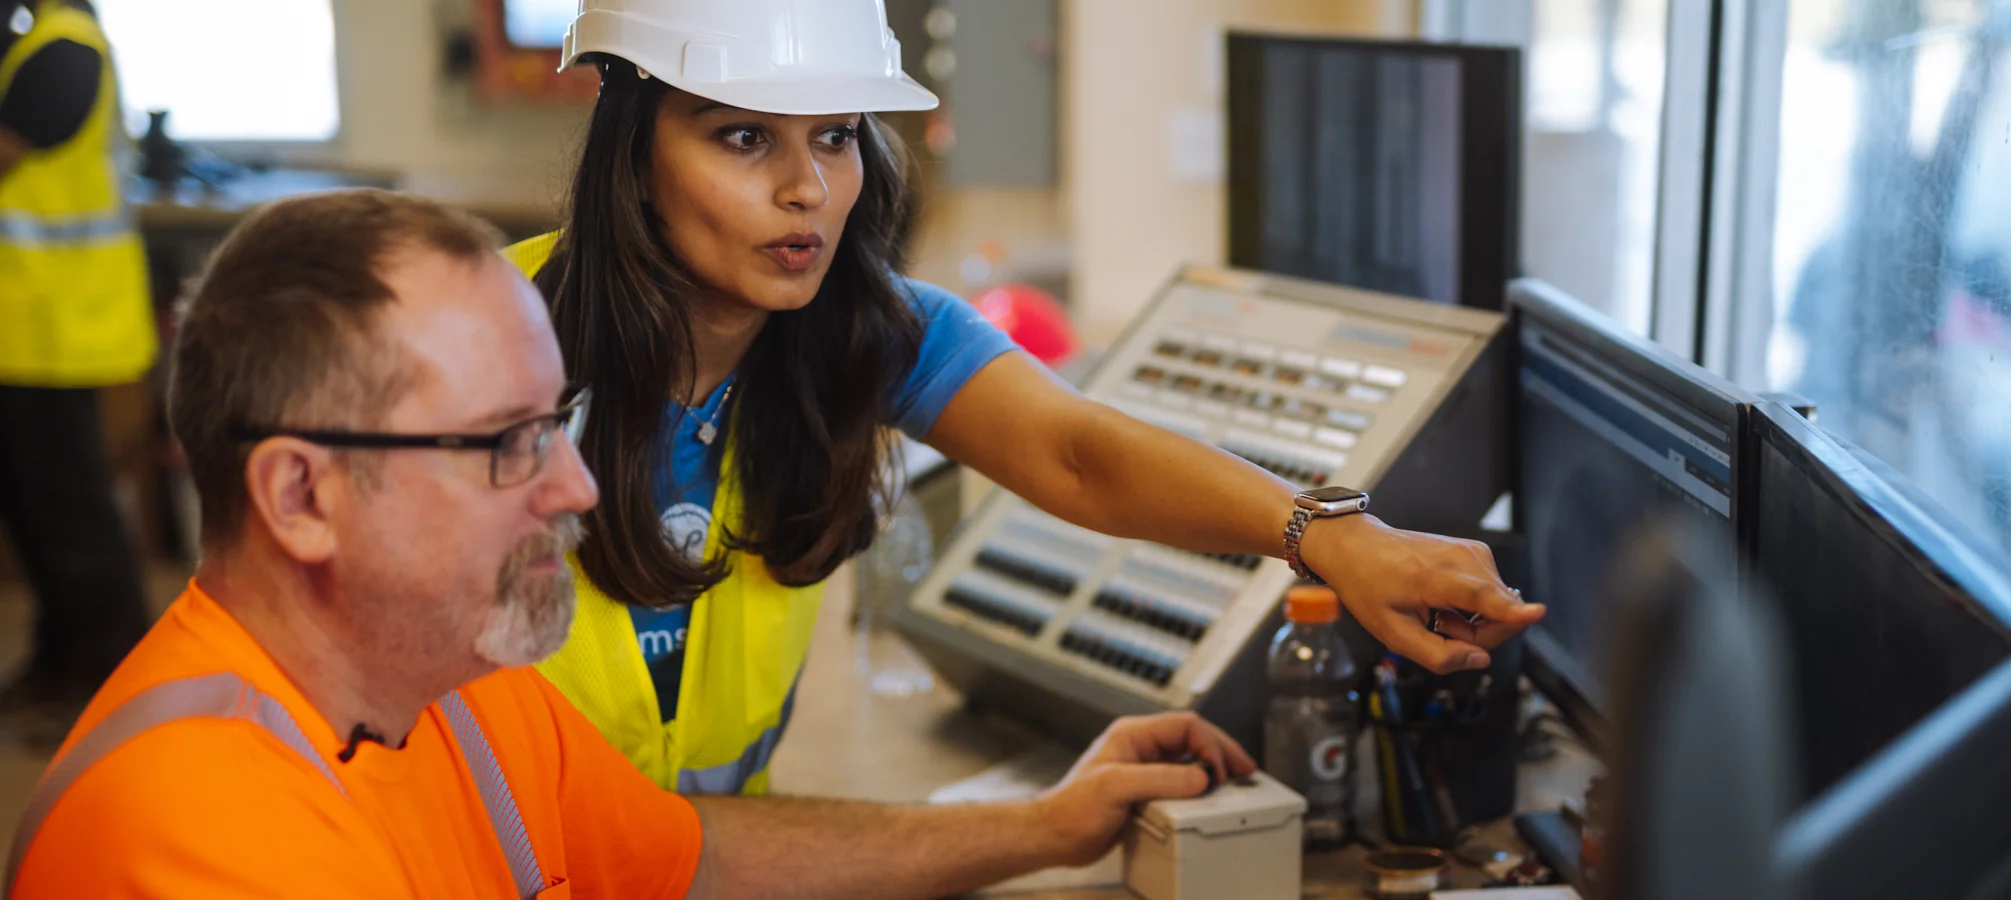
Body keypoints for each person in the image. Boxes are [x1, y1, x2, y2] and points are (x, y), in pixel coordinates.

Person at [5, 188, 1258, 898]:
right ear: (299, 497)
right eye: (504, 443)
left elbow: (693, 853)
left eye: (561, 425)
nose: (575, 487)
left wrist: (1045, 825)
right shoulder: (198, 838)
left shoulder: (452, 699)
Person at [514, 0, 1547, 797]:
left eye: (834, 135)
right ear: (634, 151)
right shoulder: (477, 345)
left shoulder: (865, 329)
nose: (809, 190)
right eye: (743, 137)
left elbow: (1075, 451)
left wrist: (1330, 537)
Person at [0, 0, 156, 723]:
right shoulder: (42, 45)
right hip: (29, 324)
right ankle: (61, 662)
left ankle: (110, 673)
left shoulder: (64, 50)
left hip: (56, 324)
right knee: (40, 510)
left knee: (70, 511)